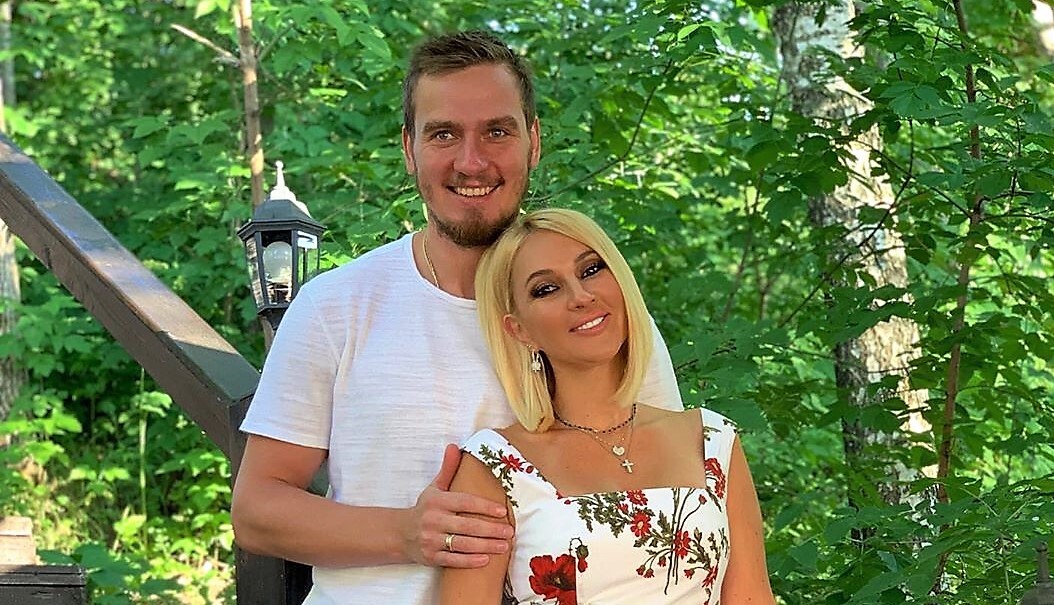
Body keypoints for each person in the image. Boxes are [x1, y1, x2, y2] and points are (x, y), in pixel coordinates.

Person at [230, 31, 684, 604]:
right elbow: (257, 510)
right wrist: (404, 533)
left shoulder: (599, 318)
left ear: (534, 142)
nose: (471, 162)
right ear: (409, 148)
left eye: (497, 131)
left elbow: (674, 504)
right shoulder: (335, 307)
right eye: (444, 134)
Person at [439, 208, 776, 604]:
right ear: (520, 330)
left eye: (591, 270)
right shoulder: (494, 466)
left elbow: (752, 597)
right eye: (546, 289)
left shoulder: (712, 441)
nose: (581, 297)